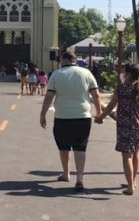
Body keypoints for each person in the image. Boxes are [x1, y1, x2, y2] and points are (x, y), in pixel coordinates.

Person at [39, 51, 103, 191]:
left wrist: (43, 114)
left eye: (61, 59)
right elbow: (96, 95)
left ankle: (66, 173)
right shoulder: (86, 73)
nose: (59, 62)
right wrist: (99, 113)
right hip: (83, 116)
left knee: (64, 146)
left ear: (66, 59)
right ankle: (79, 178)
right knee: (80, 147)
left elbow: (49, 96)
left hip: (62, 116)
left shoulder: (56, 74)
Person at [97, 64, 139, 196]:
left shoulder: (121, 89)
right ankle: (132, 181)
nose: (121, 73)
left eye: (123, 71)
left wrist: (101, 117)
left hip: (125, 127)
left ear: (128, 74)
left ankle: (130, 187)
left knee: (126, 156)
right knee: (135, 155)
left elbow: (110, 106)